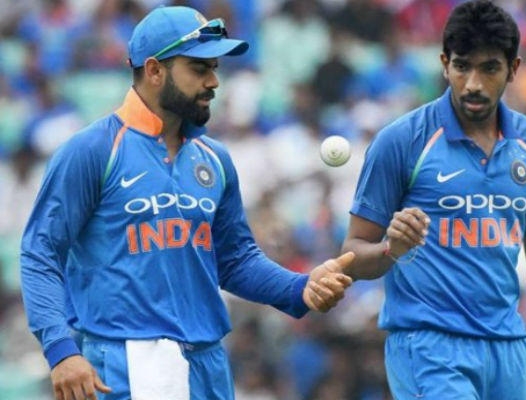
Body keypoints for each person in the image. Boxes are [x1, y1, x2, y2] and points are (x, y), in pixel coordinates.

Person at [20, 6, 354, 400]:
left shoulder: (214, 158)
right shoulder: (92, 151)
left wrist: (300, 287)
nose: (213, 81)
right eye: (199, 69)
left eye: (214, 68)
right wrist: (61, 350)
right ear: (154, 71)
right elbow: (40, 252)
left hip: (208, 362)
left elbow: (234, 259)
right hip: (131, 362)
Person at [341, 1, 526, 399]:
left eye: (489, 68)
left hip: (508, 349)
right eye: (462, 66)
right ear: (444, 64)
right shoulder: (401, 141)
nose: (473, 83)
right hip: (429, 346)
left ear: (513, 69)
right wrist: (391, 249)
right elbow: (351, 255)